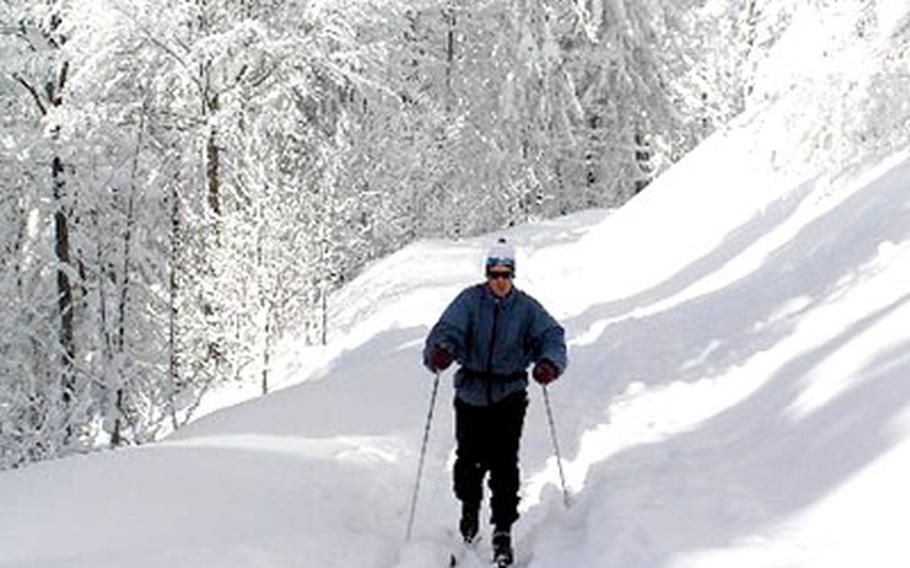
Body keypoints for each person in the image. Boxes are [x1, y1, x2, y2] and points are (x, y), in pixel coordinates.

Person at [423, 238, 567, 566]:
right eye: (494, 274)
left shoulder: (527, 308)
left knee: (504, 463)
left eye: (506, 274)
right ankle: (469, 509)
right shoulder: (470, 302)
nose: (500, 281)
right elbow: (446, 330)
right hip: (471, 392)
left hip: (509, 393)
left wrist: (549, 363)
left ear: (513, 276)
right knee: (468, 462)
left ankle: (503, 531)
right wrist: (441, 351)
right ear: (487, 274)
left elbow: (552, 336)